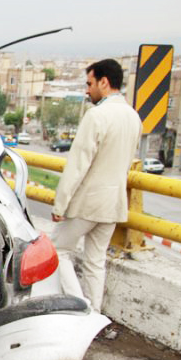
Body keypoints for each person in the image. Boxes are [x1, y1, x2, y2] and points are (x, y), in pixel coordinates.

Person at [51, 58, 142, 312]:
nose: (87, 90)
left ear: (104, 82)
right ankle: (95, 314)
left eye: (90, 83)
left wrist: (60, 203)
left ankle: (80, 309)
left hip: (88, 202)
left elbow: (78, 165)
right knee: (95, 261)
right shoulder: (133, 117)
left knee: (58, 251)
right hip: (113, 204)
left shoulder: (97, 116)